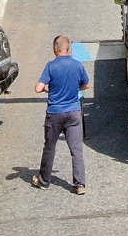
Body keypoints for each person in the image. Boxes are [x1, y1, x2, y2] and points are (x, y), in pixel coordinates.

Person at [34, 35, 90, 194]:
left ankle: (44, 180)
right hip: (73, 112)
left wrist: (46, 88)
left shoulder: (51, 66)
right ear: (69, 49)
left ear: (55, 49)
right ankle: (79, 184)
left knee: (50, 147)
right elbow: (86, 84)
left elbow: (38, 88)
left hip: (55, 113)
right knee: (76, 149)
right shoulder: (78, 65)